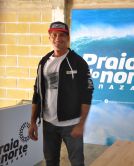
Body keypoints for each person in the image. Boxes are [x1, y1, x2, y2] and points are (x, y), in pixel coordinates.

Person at [28, 21, 94, 166]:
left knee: (77, 162)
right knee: (51, 161)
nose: (58, 38)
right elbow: (37, 92)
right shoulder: (43, 62)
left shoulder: (78, 63)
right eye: (54, 35)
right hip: (48, 122)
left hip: (71, 124)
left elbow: (87, 94)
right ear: (49, 37)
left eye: (62, 35)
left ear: (68, 37)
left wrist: (81, 124)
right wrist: (33, 121)